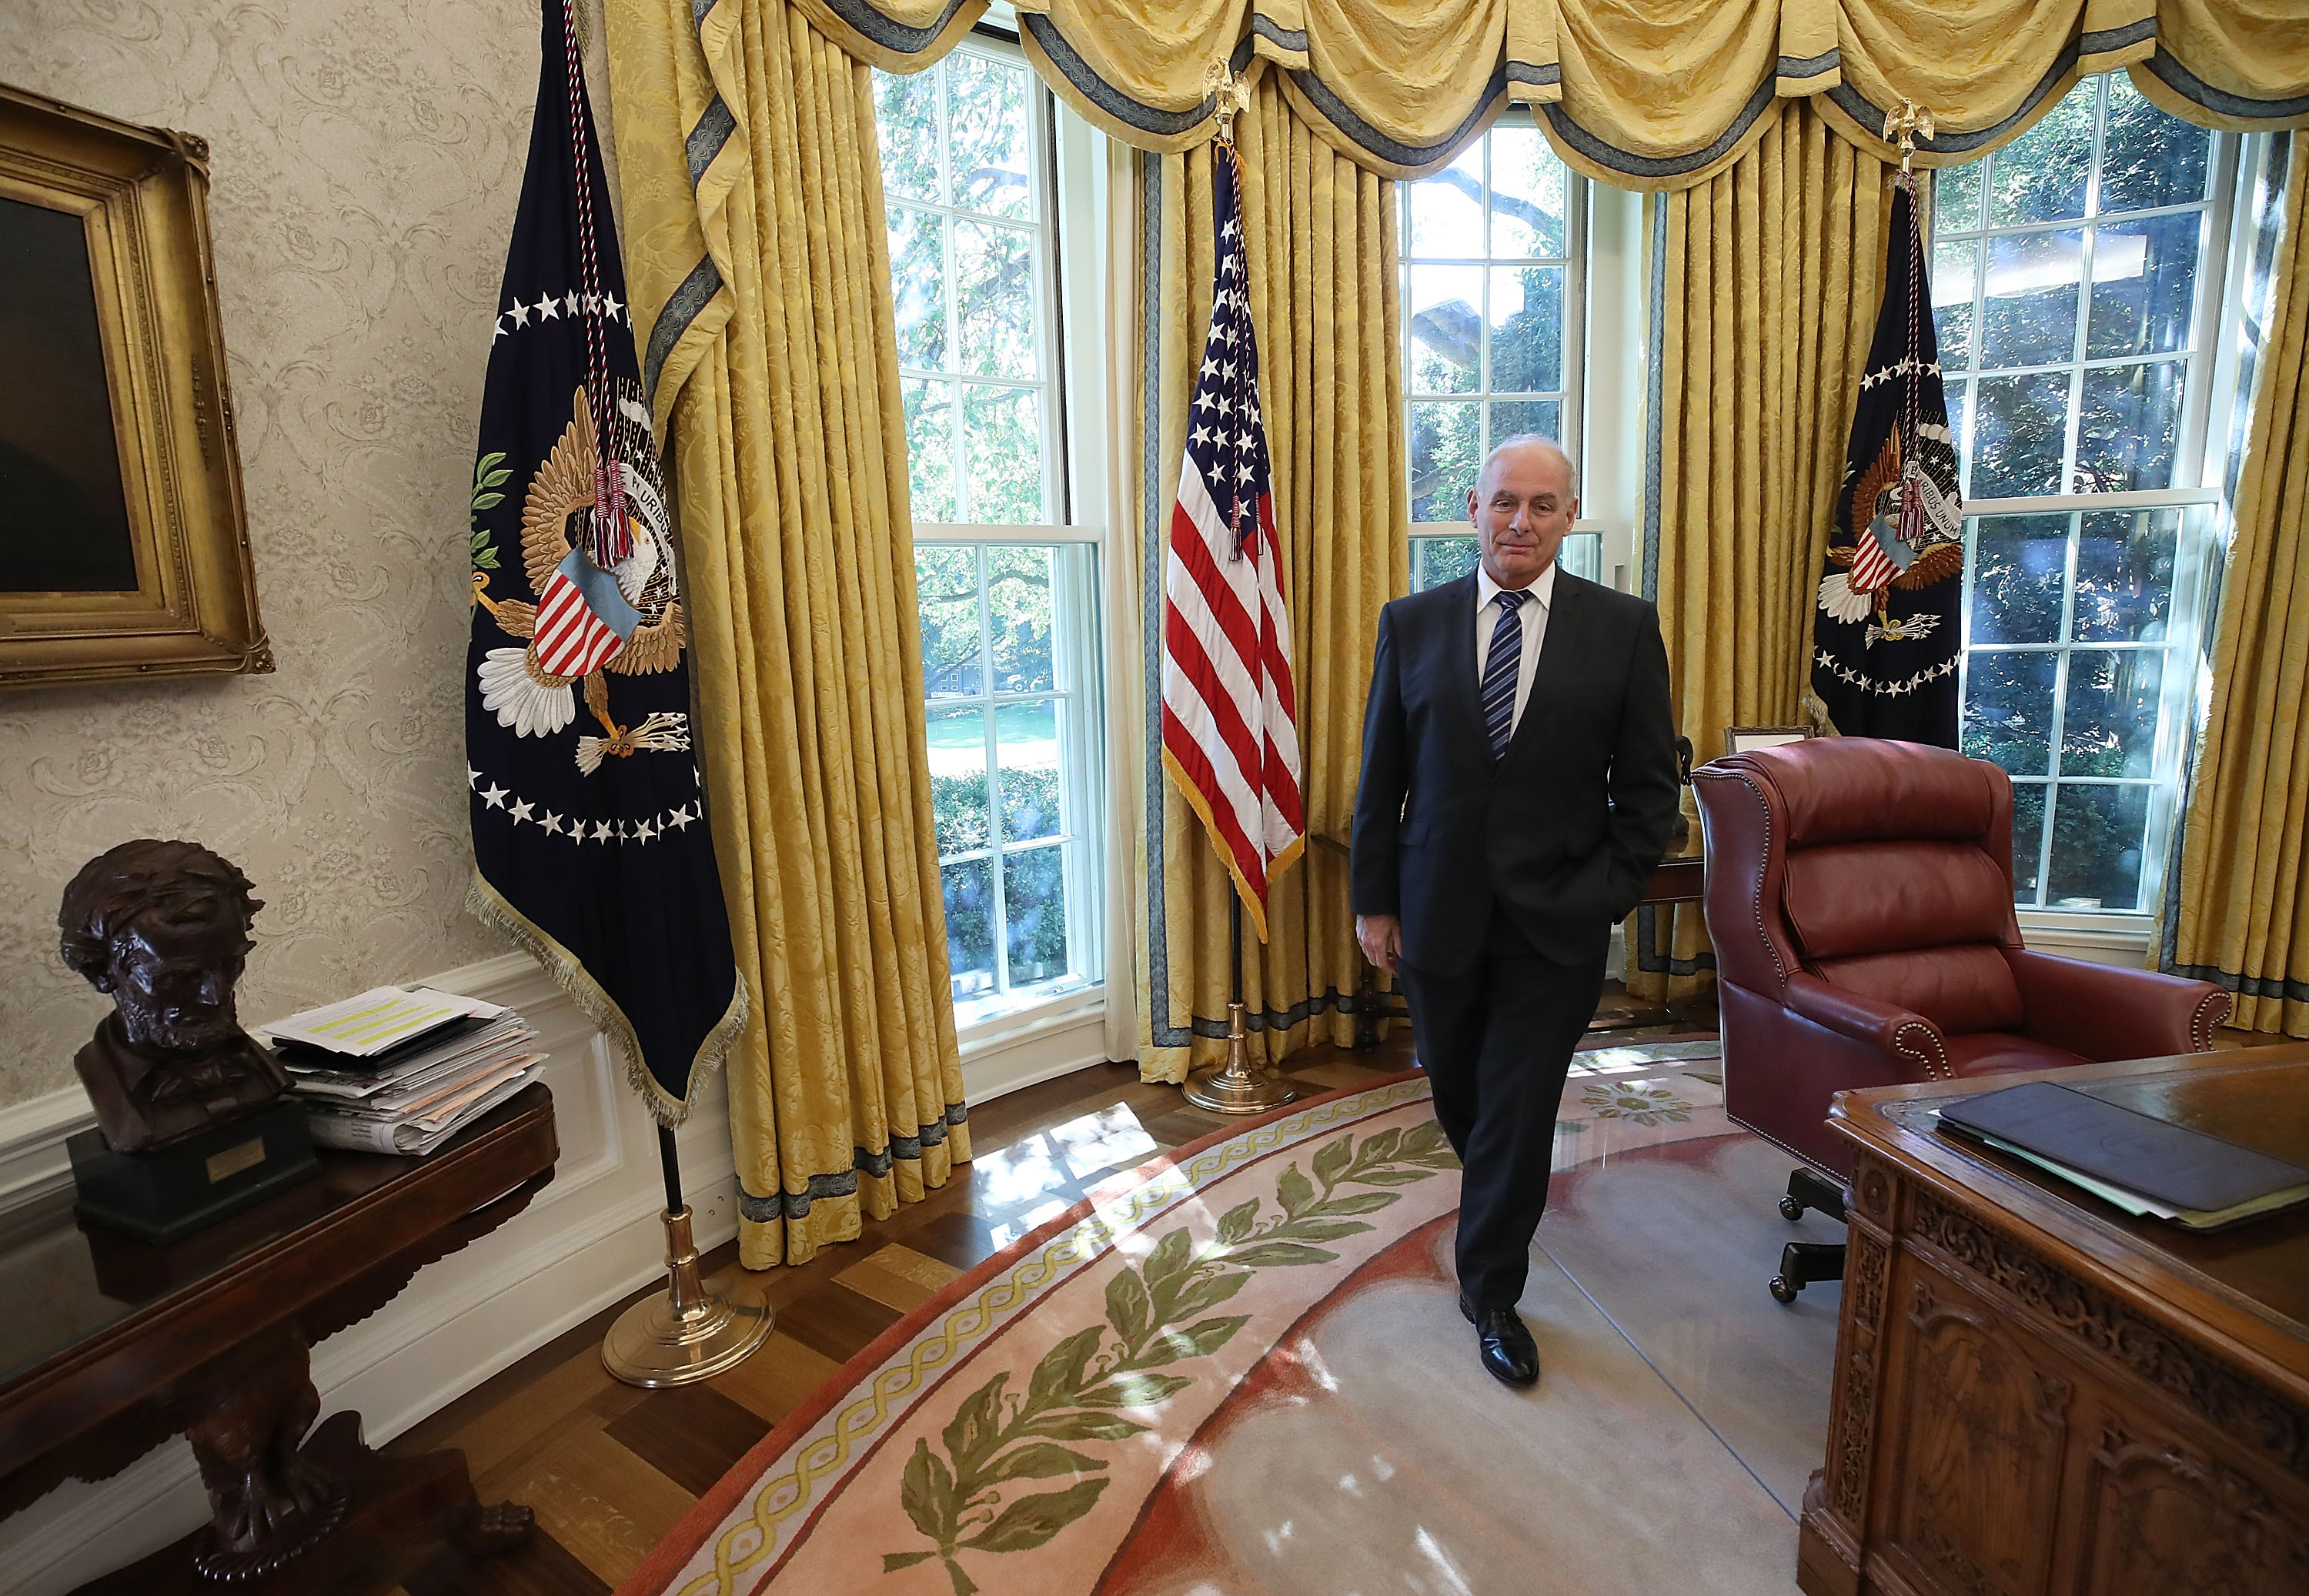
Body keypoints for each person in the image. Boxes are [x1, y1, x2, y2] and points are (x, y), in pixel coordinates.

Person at [1351, 436, 1679, 1387]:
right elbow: (1383, 777)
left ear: (1569, 516)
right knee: (1465, 1095)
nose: (1520, 522)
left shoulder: (1622, 628)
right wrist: (1375, 900)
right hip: (1435, 911)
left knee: (1519, 1105)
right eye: (1504, 503)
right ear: (1473, 506)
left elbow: (1649, 790)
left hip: (1557, 923)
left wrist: (1604, 898)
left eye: (1542, 505)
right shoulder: (1411, 624)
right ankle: (1500, 1196)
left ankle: (1491, 1287)